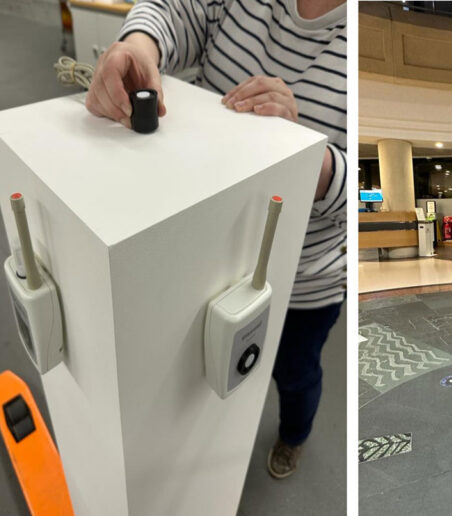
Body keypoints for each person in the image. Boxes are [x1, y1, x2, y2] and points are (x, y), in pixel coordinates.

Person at [85, 0, 346, 479]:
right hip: (204, 253)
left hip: (304, 279)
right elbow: (178, 11)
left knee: (295, 371)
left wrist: (306, 154)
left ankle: (294, 435)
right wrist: (139, 44)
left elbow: (357, 199)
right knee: (201, 376)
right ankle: (209, 456)